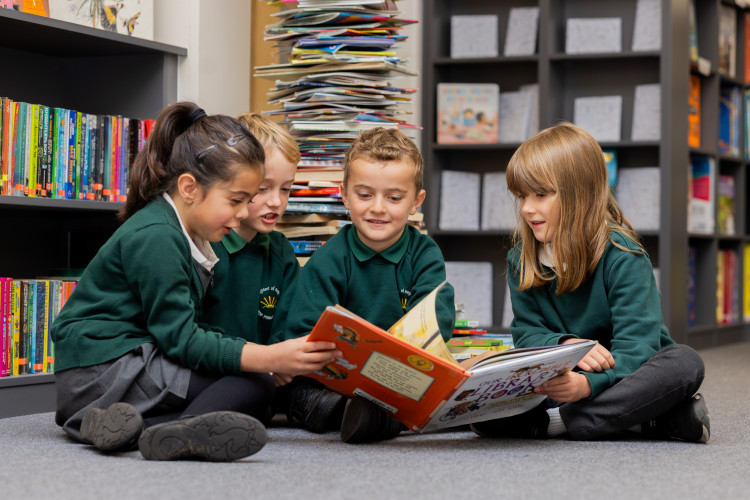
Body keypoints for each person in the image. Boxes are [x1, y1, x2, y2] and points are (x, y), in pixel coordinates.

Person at [51, 102, 341, 462]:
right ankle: (172, 430)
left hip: (126, 365)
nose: (240, 214)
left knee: (251, 393)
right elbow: (182, 339)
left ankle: (117, 426)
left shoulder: (188, 230)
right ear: (189, 187)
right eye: (236, 200)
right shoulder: (157, 235)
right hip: (103, 372)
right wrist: (268, 357)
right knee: (253, 386)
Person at [471, 122, 710, 443]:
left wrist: (587, 386)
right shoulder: (522, 259)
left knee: (685, 363)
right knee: (487, 398)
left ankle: (557, 424)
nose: (527, 208)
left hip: (624, 376)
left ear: (578, 195)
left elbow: (638, 348)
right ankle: (645, 422)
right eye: (521, 196)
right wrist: (565, 347)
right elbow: (527, 334)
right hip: (560, 382)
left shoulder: (624, 255)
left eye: (541, 194)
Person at [284, 127, 456, 443]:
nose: (377, 207)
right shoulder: (330, 257)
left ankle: (373, 416)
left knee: (443, 390)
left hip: (403, 376)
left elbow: (436, 319)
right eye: (364, 195)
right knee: (296, 391)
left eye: (393, 197)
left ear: (416, 202)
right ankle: (357, 414)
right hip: (337, 380)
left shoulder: (425, 253)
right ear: (345, 195)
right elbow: (302, 330)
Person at [199, 112, 306, 423]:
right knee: (251, 392)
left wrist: (283, 360)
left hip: (270, 373)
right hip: (216, 369)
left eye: (285, 189)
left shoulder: (281, 250)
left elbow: (286, 323)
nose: (276, 201)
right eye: (263, 188)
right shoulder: (208, 244)